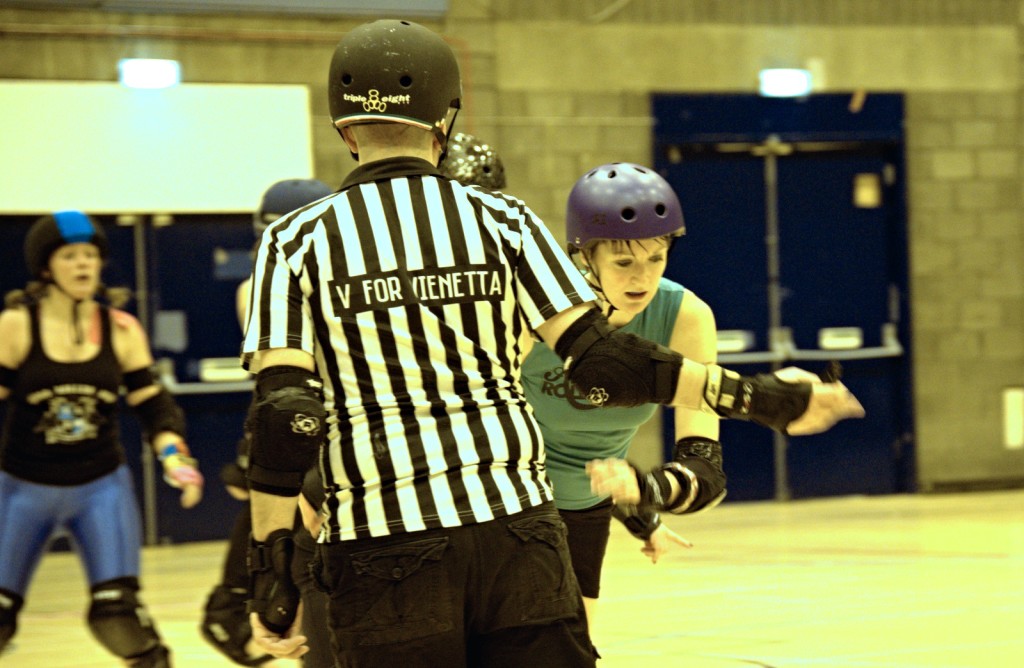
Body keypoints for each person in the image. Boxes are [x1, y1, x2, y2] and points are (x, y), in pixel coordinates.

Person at [239, 18, 864, 667]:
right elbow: (605, 363)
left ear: (343, 128)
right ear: (445, 121)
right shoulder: (506, 221)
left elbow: (286, 417)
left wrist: (271, 573)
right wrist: (766, 398)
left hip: (385, 544)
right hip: (515, 532)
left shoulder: (292, 242)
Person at [520, 162, 717, 634]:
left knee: (573, 646)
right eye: (624, 262)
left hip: (588, 504)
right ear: (584, 259)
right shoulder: (538, 308)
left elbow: (705, 465)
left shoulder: (686, 317)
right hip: (517, 499)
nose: (642, 279)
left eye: (656, 259)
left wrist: (642, 500)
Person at [0, 211, 203, 667]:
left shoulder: (122, 328)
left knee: (119, 617)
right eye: (70, 256)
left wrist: (175, 458)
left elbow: (154, 406)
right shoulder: (15, 326)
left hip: (100, 488)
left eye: (90, 255)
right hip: (21, 489)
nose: (83, 265)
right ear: (46, 267)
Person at [201, 178, 334, 668]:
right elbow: (290, 390)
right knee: (298, 586)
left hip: (303, 445)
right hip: (301, 446)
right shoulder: (257, 287)